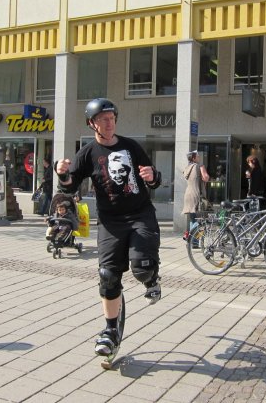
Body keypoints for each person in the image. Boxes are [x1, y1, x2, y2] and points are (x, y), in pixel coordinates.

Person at [54, 98, 162, 358]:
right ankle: (110, 330)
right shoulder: (88, 153)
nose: (109, 122)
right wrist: (62, 174)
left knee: (142, 267)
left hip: (140, 215)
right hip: (111, 222)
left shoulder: (130, 146)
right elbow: (69, 187)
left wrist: (153, 176)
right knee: (108, 275)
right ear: (92, 123)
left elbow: (153, 178)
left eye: (112, 118)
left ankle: (152, 278)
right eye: (103, 119)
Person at [182, 150, 209, 237]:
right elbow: (206, 178)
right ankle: (194, 240)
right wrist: (203, 168)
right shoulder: (198, 166)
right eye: (197, 156)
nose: (199, 157)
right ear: (193, 158)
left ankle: (192, 241)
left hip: (188, 195)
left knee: (193, 219)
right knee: (198, 221)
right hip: (196, 195)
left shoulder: (187, 167)